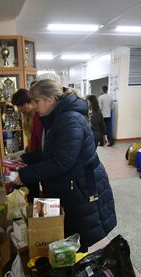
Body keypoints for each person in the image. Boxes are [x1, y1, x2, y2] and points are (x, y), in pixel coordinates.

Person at [14, 79, 117, 251]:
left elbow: (62, 161)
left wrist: (25, 175)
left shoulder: (69, 120)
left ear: (50, 100)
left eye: (36, 101)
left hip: (79, 185)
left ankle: (77, 271)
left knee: (78, 236)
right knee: (70, 233)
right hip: (71, 183)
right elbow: (52, 151)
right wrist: (25, 159)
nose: (34, 106)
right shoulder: (58, 117)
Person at [12, 88, 43, 153]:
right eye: (17, 106)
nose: (19, 109)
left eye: (20, 105)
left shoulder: (38, 116)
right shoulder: (26, 116)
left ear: (29, 102)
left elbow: (39, 142)